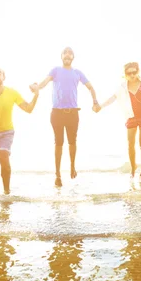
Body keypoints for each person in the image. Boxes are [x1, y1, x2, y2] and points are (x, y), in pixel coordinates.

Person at [30, 47, 100, 187]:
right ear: (61, 56)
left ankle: (73, 167)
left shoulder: (77, 73)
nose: (67, 55)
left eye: (70, 53)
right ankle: (57, 174)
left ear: (73, 57)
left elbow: (91, 87)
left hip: (73, 113)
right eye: (65, 53)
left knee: (72, 142)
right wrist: (36, 86)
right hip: (57, 113)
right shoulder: (55, 70)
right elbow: (43, 83)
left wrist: (95, 102)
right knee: (59, 143)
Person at [99, 62, 141, 178]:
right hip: (131, 116)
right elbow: (113, 98)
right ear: (125, 74)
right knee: (130, 144)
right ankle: (133, 168)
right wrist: (100, 106)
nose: (132, 75)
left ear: (137, 72)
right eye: (129, 73)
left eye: (134, 72)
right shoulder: (122, 87)